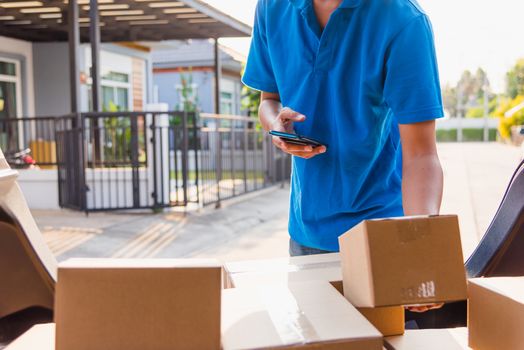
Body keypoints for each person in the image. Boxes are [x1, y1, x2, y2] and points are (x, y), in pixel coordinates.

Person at [243, 0, 444, 311]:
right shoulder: (272, 7)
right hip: (306, 231)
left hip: (377, 233)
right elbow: (268, 99)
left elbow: (421, 154)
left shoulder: (402, 19)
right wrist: (276, 126)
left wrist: (421, 246)